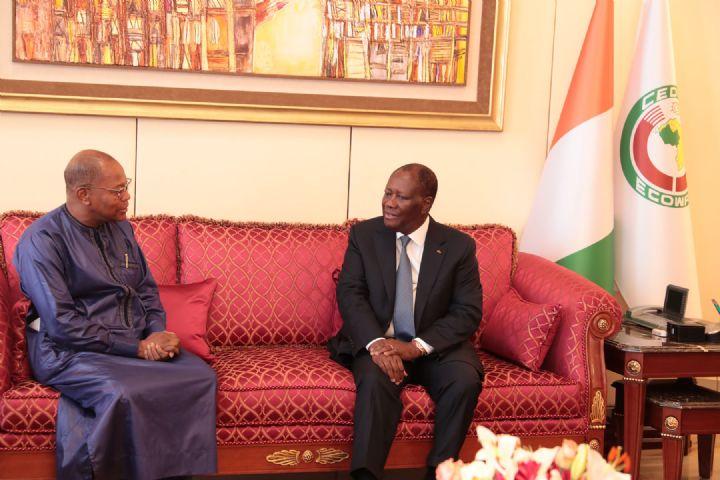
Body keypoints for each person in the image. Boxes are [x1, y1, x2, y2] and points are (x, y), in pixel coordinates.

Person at [13, 150, 217, 479]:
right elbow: (62, 323)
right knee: (123, 393)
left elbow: (146, 289)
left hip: (131, 341)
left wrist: (155, 332)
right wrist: (137, 348)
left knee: (200, 376)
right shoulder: (41, 241)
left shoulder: (121, 228)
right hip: (68, 351)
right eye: (118, 190)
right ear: (84, 195)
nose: (127, 197)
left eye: (126, 186)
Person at [328, 164, 484, 480]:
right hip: (379, 341)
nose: (389, 202)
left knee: (464, 380)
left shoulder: (458, 246)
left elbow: (467, 311)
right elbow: (350, 294)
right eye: (388, 193)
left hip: (434, 346)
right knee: (374, 382)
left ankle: (441, 472)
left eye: (401, 197)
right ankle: (366, 476)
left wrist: (416, 347)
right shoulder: (364, 235)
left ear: (425, 204)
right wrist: (377, 344)